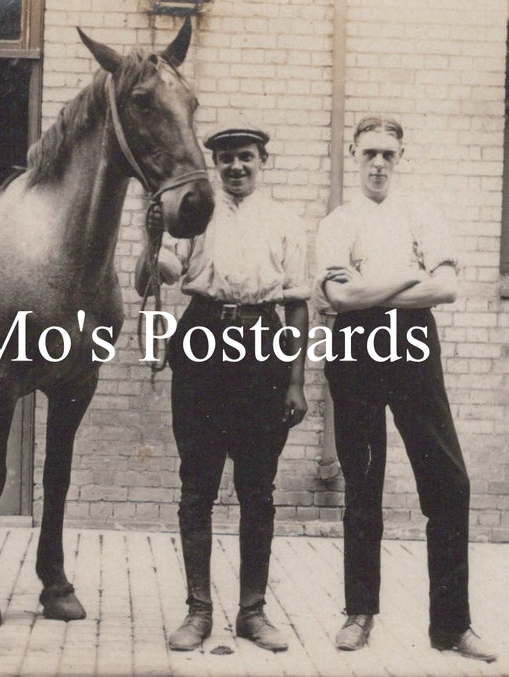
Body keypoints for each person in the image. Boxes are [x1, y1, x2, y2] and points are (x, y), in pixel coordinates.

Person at [315, 116, 496, 661]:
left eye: (387, 155)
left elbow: (448, 288)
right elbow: (339, 302)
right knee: (363, 482)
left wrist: (370, 286)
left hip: (414, 345)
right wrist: (409, 278)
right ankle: (359, 612)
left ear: (400, 157)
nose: (377, 163)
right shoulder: (338, 221)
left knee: (449, 481)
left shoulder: (422, 214)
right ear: (354, 154)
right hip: (356, 347)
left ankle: (451, 625)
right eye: (369, 153)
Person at [136, 120, 309, 653]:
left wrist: (296, 382)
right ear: (215, 164)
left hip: (264, 344)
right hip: (203, 337)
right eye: (227, 158)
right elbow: (157, 274)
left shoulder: (285, 221)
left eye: (246, 157)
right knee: (198, 486)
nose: (236, 166)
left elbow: (299, 304)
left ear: (263, 162)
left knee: (258, 489)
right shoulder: (195, 217)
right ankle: (198, 610)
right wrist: (151, 242)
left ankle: (253, 611)